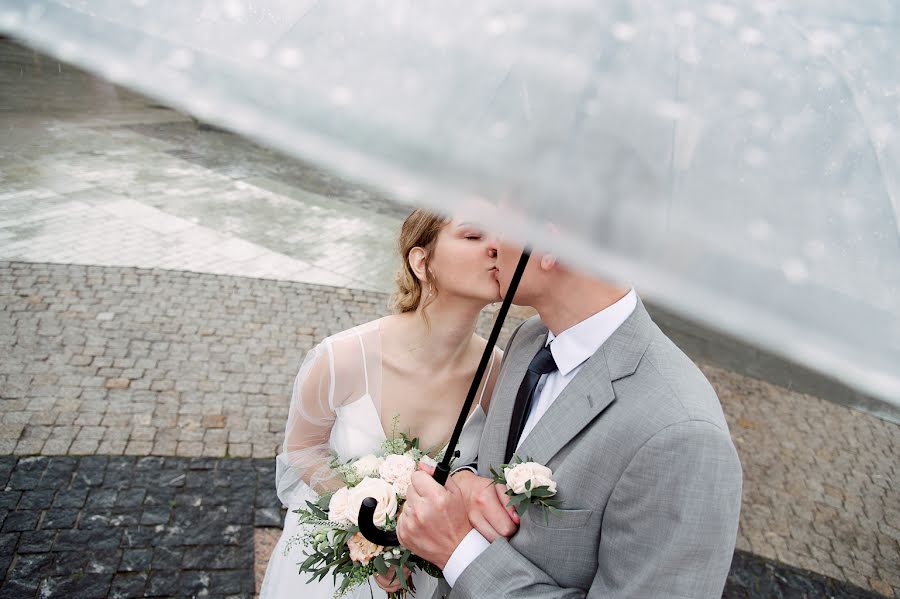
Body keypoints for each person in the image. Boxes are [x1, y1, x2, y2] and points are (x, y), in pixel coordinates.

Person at [397, 236, 743, 598]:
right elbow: (492, 462)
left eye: (504, 224)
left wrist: (459, 552)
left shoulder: (685, 437)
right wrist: (464, 484)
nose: (493, 244)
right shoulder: (529, 338)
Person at [260, 210, 505, 598]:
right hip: (340, 571)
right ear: (422, 262)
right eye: (474, 237)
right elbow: (303, 449)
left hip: (434, 575)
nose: (497, 247)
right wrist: (366, 530)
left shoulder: (498, 374)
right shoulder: (342, 358)